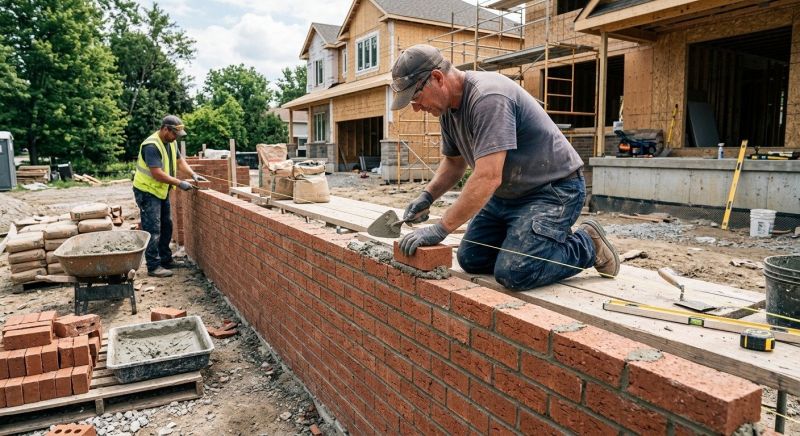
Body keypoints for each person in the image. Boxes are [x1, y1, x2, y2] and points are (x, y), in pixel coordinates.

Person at [390, 44, 620, 291]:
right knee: (471, 259)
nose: (415, 107)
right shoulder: (447, 110)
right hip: (509, 196)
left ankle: (587, 244)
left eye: (415, 96)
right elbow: (455, 163)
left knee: (515, 272)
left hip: (553, 191)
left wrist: (440, 228)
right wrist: (427, 196)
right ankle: (529, 243)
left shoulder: (488, 98)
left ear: (437, 78)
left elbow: (488, 177)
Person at [133, 115, 207, 278]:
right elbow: (157, 173)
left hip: (160, 190)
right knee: (153, 228)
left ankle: (165, 259)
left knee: (167, 225)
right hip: (147, 191)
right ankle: (153, 266)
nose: (176, 138)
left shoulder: (171, 142)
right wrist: (180, 183)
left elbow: (180, 162)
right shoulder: (151, 145)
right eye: (174, 134)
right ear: (165, 129)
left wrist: (193, 174)